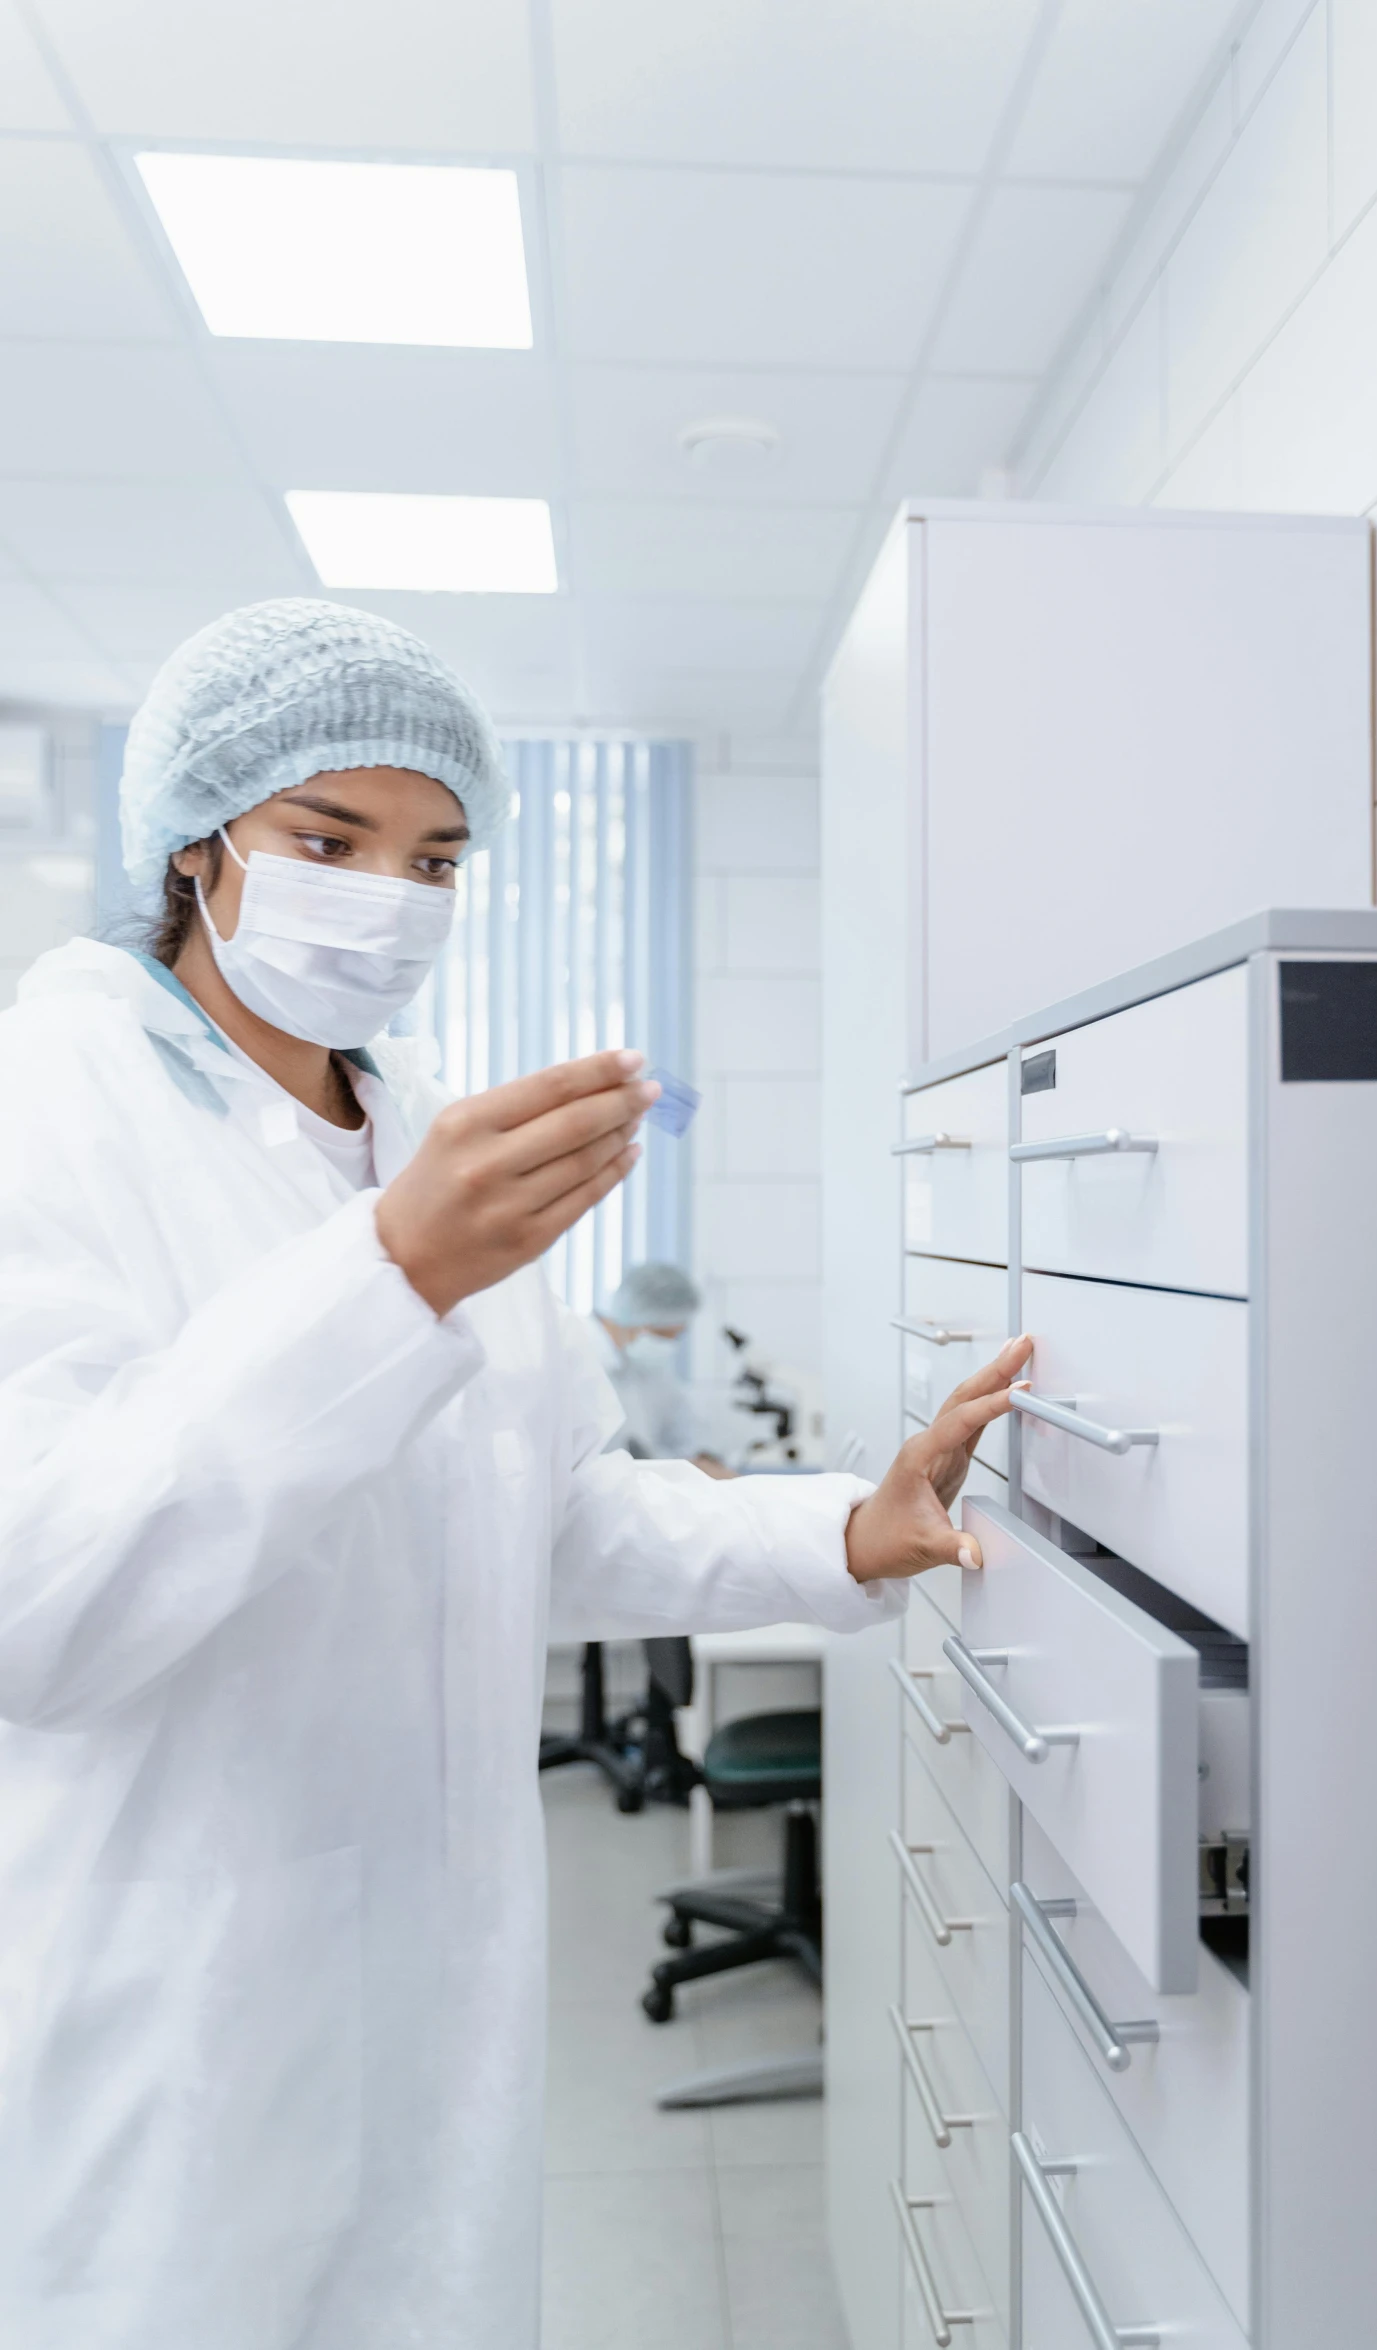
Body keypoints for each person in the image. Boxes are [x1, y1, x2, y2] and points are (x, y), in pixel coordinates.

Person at [0, 598, 1030, 2350]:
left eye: (438, 859)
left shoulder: (416, 1134)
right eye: (329, 840)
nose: (388, 896)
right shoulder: (56, 1105)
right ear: (197, 842)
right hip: (168, 2021)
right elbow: (47, 1612)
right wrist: (388, 1277)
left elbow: (556, 1514)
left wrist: (852, 1529)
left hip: (432, 1997)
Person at [589, 1260, 730, 1470]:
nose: (668, 1345)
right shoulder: (581, 1357)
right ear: (637, 1319)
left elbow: (686, 1429)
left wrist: (705, 1459)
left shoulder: (650, 1367)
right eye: (663, 1335)